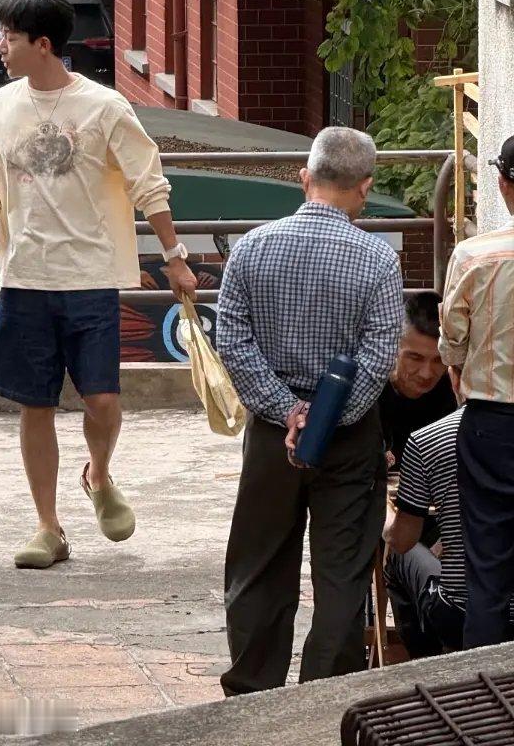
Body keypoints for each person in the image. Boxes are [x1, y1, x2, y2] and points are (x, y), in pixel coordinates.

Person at [0, 0, 196, 570]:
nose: (0, 47)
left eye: (9, 38)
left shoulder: (104, 107)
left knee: (103, 399)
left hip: (91, 275)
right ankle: (48, 526)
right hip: (26, 278)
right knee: (34, 404)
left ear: (42, 44)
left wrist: (174, 255)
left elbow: (148, 182)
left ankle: (98, 473)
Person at [216, 126, 404, 695]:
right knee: (342, 572)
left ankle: (253, 691)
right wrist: (322, 420)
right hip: (348, 437)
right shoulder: (378, 260)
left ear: (305, 178)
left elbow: (233, 340)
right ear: (364, 187)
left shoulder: (252, 247)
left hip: (273, 436)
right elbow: (378, 358)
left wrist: (287, 412)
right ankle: (326, 695)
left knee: (259, 565)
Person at [439, 133, 514, 648]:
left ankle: (484, 683)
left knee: (486, 569)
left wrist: (459, 369)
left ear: (503, 183)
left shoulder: (474, 256)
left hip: (493, 422)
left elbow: (452, 340)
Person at [382, 402, 511, 658]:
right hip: (487, 602)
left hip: (466, 612)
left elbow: (402, 540)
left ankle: (424, 660)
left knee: (396, 555)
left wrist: (384, 511)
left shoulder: (431, 438)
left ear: (456, 381)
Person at [379, 291, 457, 469]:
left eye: (438, 360)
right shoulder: (368, 395)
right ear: (392, 348)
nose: (426, 374)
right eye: (415, 358)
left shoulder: (454, 395)